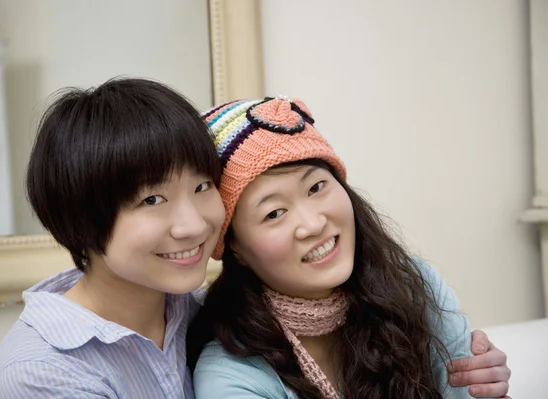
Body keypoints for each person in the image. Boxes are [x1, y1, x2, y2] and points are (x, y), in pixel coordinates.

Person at [189, 96, 511, 398]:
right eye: (274, 213)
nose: (313, 224)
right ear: (235, 250)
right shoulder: (231, 375)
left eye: (316, 187)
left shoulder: (414, 287)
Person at [0, 78, 225, 398]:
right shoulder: (43, 376)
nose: (193, 226)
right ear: (80, 218)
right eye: (151, 200)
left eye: (202, 186)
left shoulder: (193, 312)